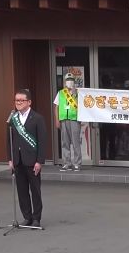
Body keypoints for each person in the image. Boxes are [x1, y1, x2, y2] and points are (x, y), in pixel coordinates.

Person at [7, 88, 45, 227]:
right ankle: (27, 216)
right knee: (22, 191)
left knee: (35, 191)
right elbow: (9, 139)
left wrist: (39, 161)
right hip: (18, 160)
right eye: (16, 100)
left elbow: (42, 141)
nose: (18, 103)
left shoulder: (37, 118)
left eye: (21, 100)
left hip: (32, 160)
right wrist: (10, 159)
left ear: (29, 102)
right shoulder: (13, 118)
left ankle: (36, 218)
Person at [54, 73, 82, 171]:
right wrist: (57, 120)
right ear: (65, 82)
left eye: (71, 79)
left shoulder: (78, 93)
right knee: (65, 142)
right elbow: (56, 107)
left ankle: (77, 163)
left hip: (74, 119)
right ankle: (67, 163)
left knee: (76, 142)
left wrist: (75, 93)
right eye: (68, 79)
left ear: (74, 81)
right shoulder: (61, 92)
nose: (69, 81)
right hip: (63, 120)